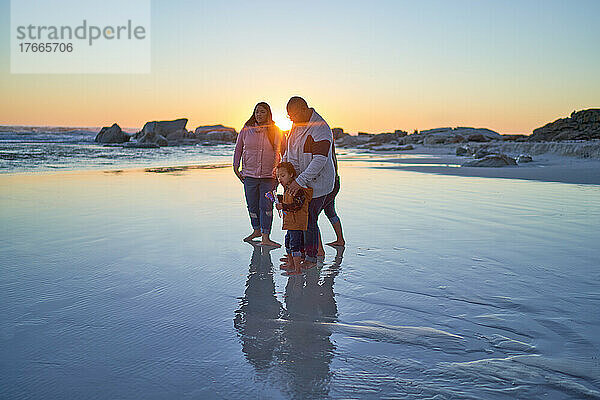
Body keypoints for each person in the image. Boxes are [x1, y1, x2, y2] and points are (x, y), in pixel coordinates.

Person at [282, 97, 336, 267]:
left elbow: (319, 160)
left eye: (294, 115)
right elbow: (290, 152)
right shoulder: (296, 125)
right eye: (289, 116)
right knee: (297, 217)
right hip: (299, 182)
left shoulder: (321, 128)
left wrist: (299, 181)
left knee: (309, 219)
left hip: (319, 184)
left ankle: (311, 258)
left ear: (304, 109)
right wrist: (282, 170)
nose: (292, 119)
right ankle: (298, 253)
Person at [233, 102, 281, 247]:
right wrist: (236, 167)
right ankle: (256, 230)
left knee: (266, 206)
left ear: (268, 113)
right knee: (252, 205)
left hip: (269, 177)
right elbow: (238, 149)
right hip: (249, 176)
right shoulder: (247, 129)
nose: (259, 115)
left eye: (262, 112)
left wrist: (280, 171)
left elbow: (282, 152)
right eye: (256, 112)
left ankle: (266, 237)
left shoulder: (275, 131)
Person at [274, 162, 313, 275]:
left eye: (282, 175)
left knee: (295, 245)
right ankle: (291, 264)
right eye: (278, 176)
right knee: (288, 243)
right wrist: (278, 198)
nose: (280, 179)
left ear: (291, 174)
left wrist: (283, 206)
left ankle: (298, 270)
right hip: (290, 222)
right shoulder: (287, 188)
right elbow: (288, 200)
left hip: (297, 222)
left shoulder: (297, 189)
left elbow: (297, 205)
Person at [321, 139, 345, 247]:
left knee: (311, 215)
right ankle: (340, 240)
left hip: (329, 183)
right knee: (330, 211)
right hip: (334, 182)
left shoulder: (324, 146)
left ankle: (318, 249)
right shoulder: (329, 144)